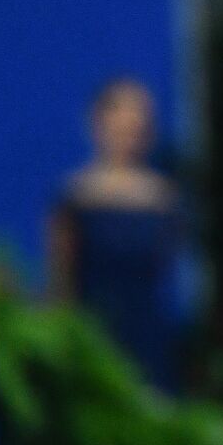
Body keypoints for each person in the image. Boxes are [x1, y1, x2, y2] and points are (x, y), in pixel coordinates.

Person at [48, 77, 186, 392]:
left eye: (139, 117)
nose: (130, 126)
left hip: (150, 341)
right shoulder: (74, 197)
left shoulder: (164, 198)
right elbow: (61, 279)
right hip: (93, 338)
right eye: (121, 116)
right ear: (98, 121)